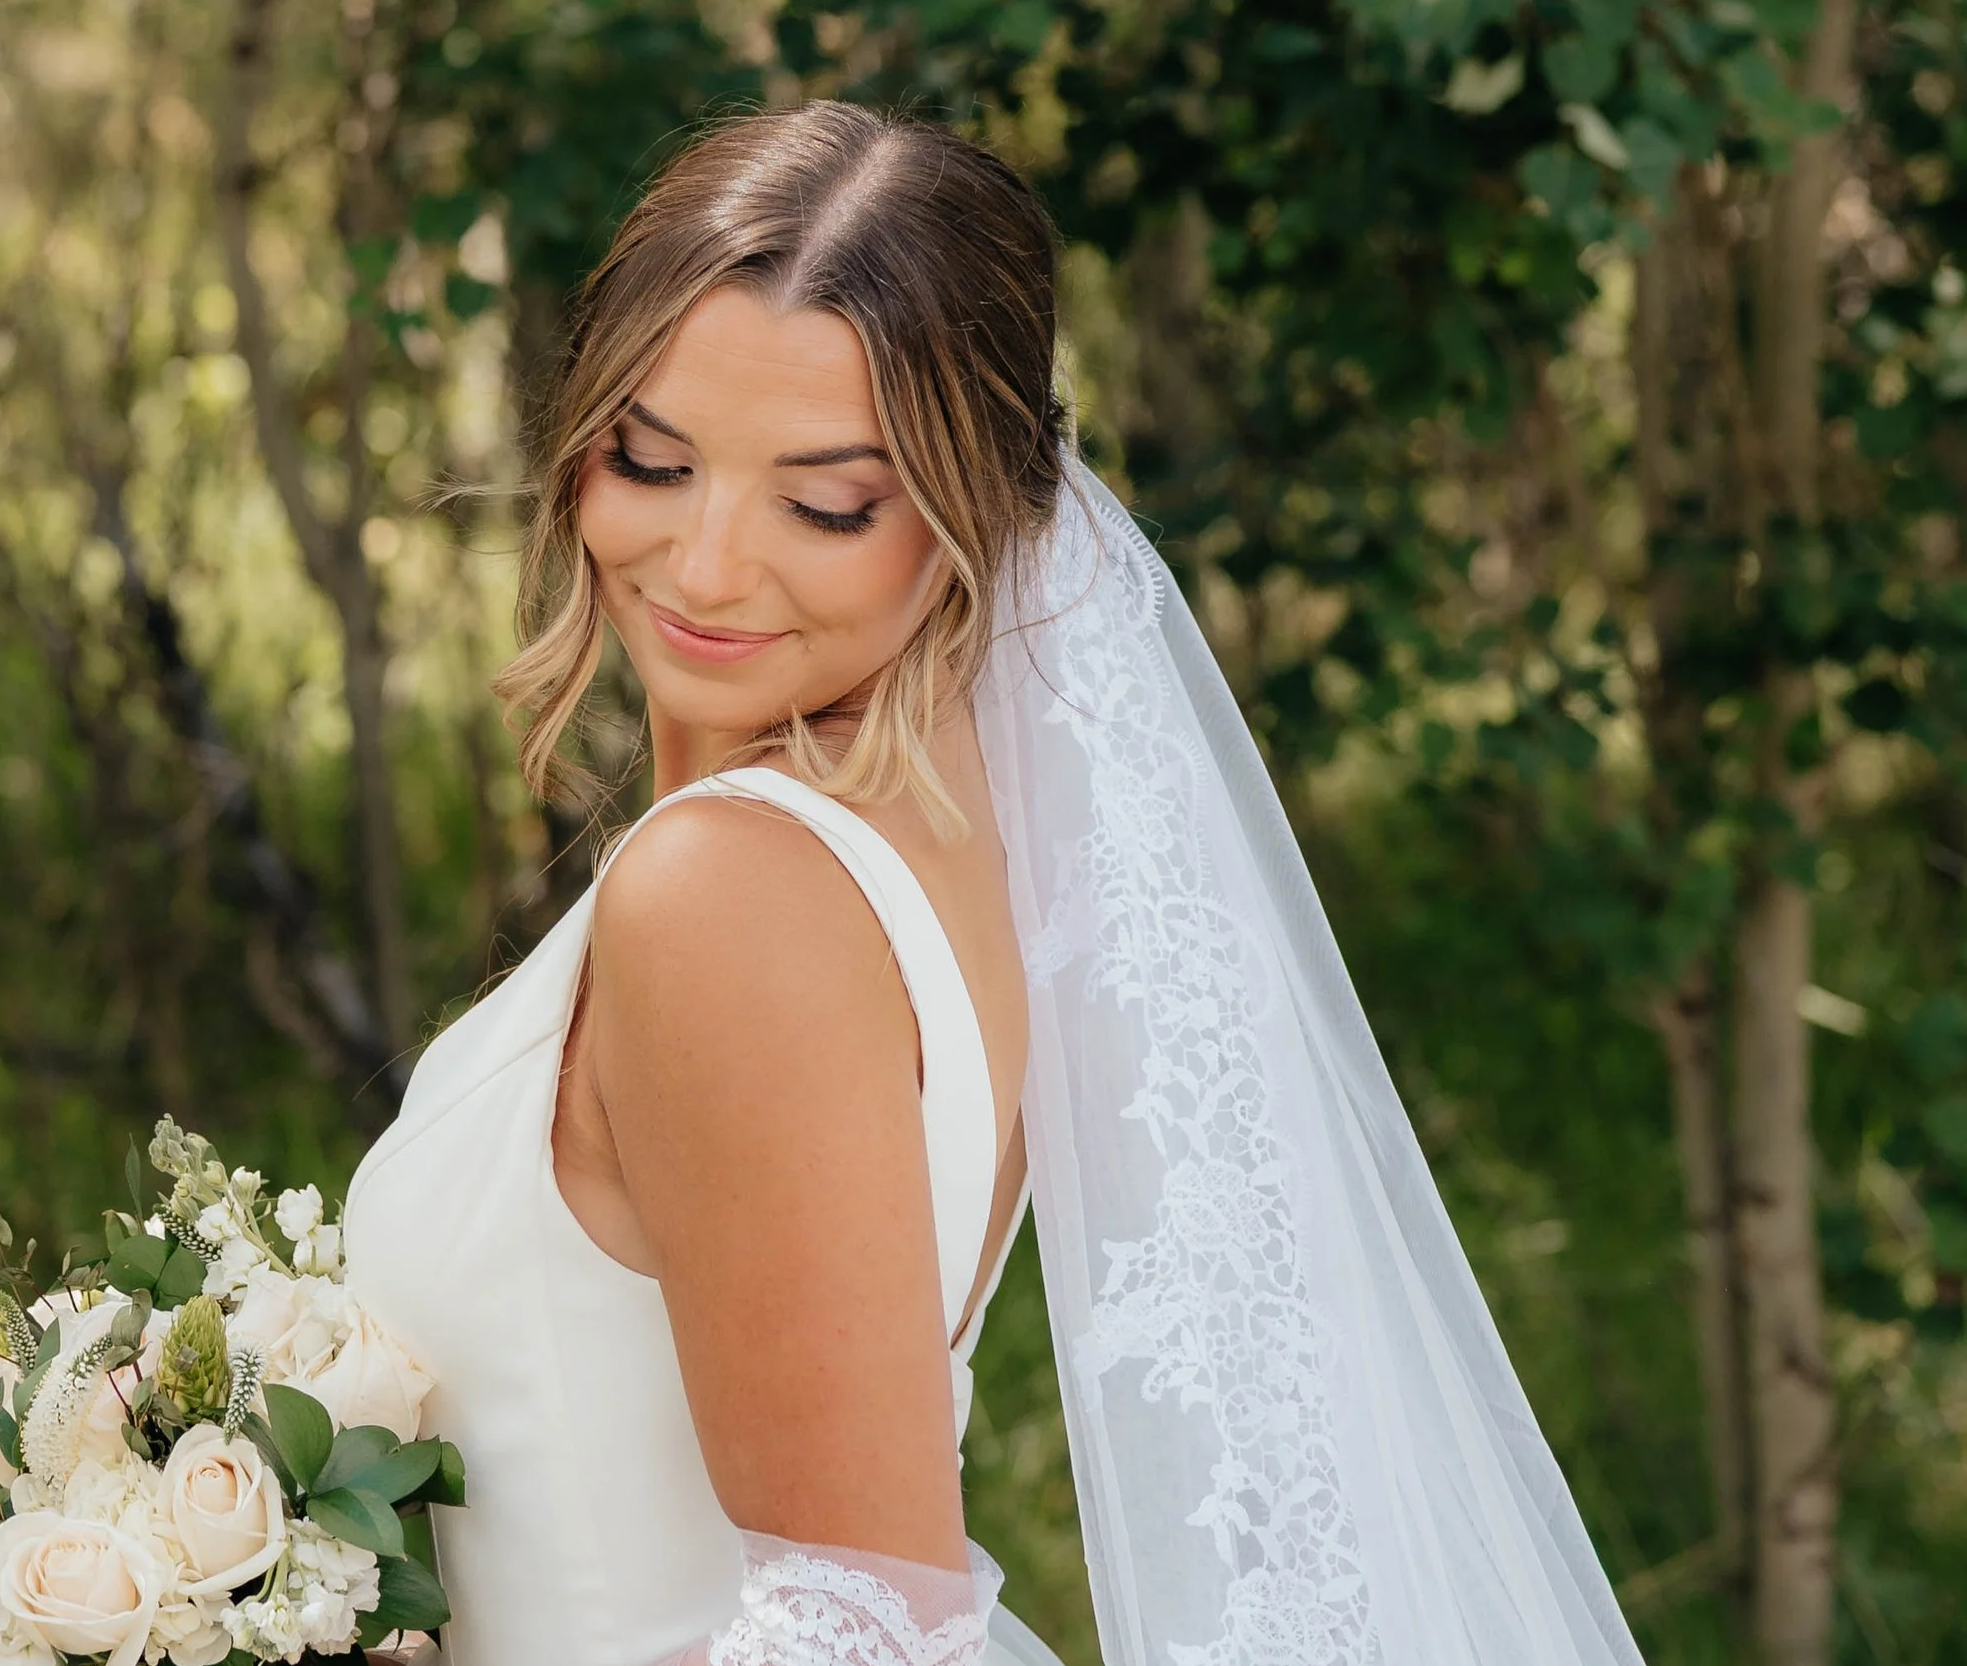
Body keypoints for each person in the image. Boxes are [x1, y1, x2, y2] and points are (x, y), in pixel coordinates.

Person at [343, 101, 1646, 1666]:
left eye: (824, 501)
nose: (700, 563)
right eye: (653, 458)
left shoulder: (730, 895)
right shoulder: (954, 833)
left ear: (985, 510)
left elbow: (867, 1624)